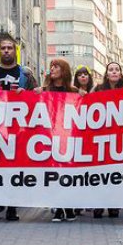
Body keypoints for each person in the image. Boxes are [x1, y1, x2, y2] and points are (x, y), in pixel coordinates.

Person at [0, 34, 38, 221]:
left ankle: (12, 206)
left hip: (18, 129)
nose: (6, 51)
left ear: (15, 51)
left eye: (9, 48)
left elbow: (38, 99)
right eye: (3, 48)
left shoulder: (26, 74)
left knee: (14, 169)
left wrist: (28, 94)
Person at [35, 59, 78, 222]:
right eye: (51, 66)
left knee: (68, 173)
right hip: (49, 138)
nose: (52, 69)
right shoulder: (43, 90)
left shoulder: (73, 91)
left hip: (68, 138)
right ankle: (59, 208)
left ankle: (68, 206)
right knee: (54, 174)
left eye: (56, 66)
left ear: (64, 70)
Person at [91, 61, 123, 219]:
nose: (113, 72)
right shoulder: (98, 89)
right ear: (106, 74)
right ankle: (98, 204)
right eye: (111, 70)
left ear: (120, 74)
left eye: (116, 70)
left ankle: (114, 205)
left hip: (118, 137)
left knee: (116, 174)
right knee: (100, 172)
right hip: (100, 136)